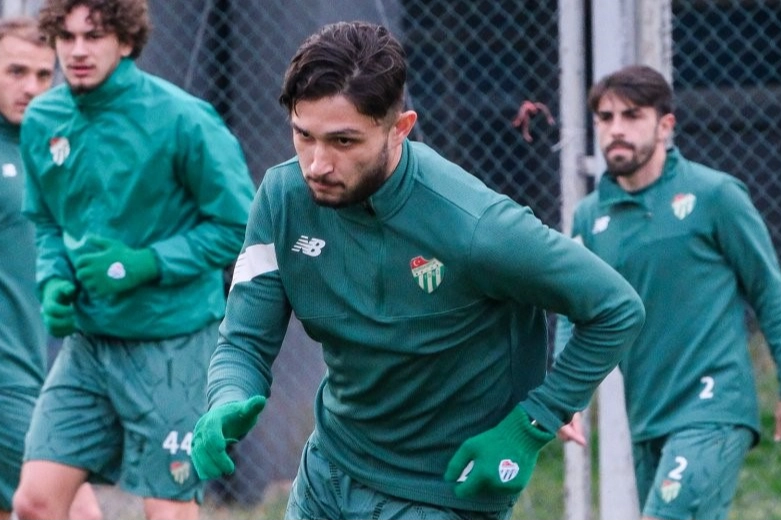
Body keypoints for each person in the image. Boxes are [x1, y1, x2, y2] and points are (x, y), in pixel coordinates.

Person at [190, 20, 645, 520]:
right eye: (303, 135)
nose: (317, 164)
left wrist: (532, 424)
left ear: (400, 128)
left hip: (441, 493)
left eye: (344, 142)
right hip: (329, 473)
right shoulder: (282, 198)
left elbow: (616, 308)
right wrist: (225, 398)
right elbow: (244, 340)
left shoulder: (477, 226)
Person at [11, 1, 256, 519]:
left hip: (173, 342)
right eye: (67, 37)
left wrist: (146, 263)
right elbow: (47, 221)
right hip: (90, 345)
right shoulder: (43, 120)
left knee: (167, 511)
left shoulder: (184, 119)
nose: (78, 50)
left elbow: (241, 227)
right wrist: (54, 280)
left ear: (125, 41)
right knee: (34, 503)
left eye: (94, 36)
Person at [554, 64, 781, 520]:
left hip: (714, 405)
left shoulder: (715, 195)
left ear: (665, 125)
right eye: (605, 117)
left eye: (632, 115)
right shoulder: (590, 217)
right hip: (648, 416)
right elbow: (571, 309)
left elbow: (769, 292)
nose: (616, 129)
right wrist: (562, 397)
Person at [0, 15, 104, 521]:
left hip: (39, 369)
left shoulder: (47, 151)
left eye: (44, 75)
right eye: (15, 72)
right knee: (76, 512)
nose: (31, 87)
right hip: (8, 384)